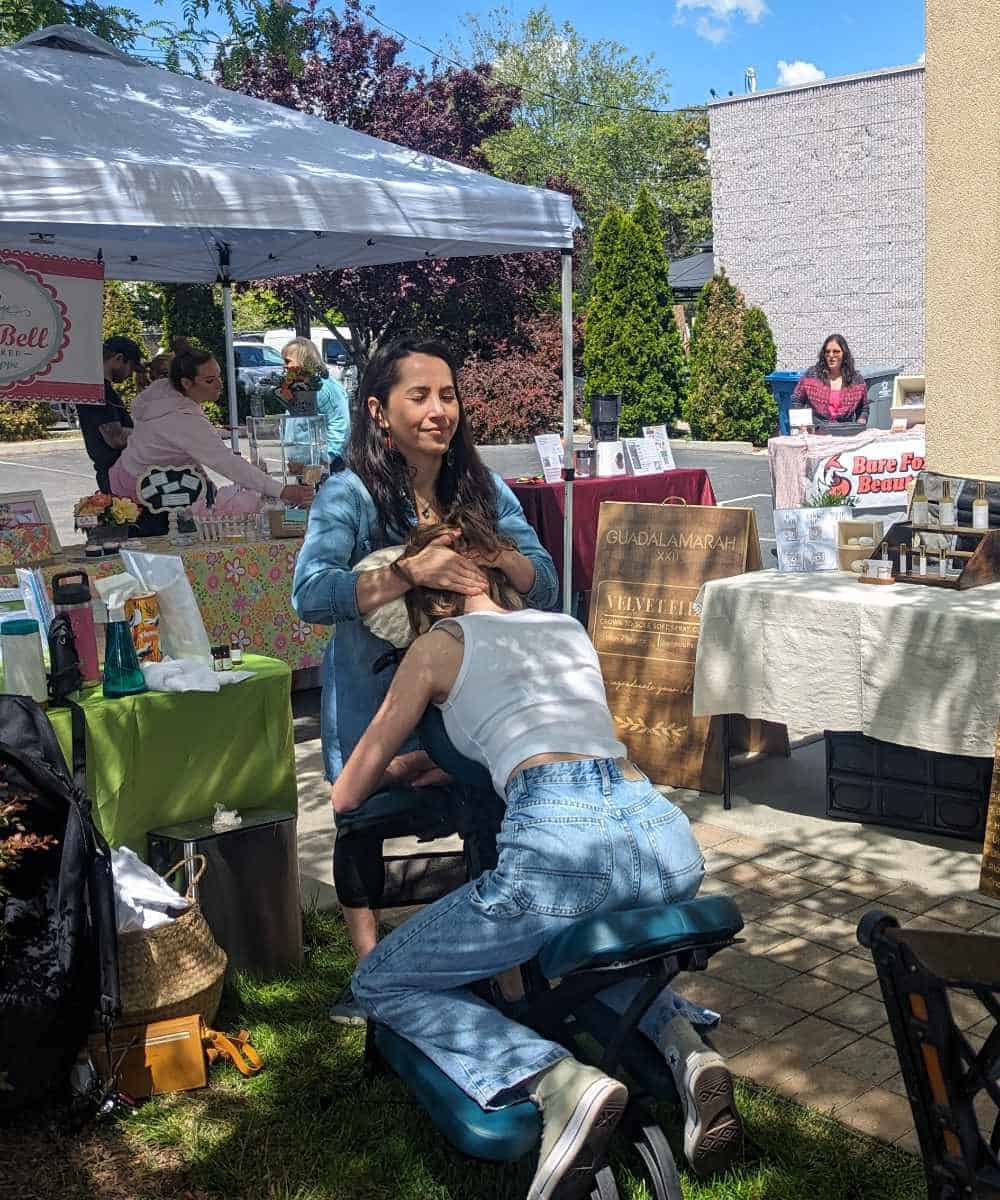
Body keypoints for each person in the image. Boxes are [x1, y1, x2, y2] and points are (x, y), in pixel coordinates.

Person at [332, 516, 743, 1196]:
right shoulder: (565, 627)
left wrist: (404, 767)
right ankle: (686, 1051)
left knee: (382, 982)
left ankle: (556, 1081)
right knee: (592, 953)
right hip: (661, 835)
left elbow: (349, 790)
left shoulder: (438, 644)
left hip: (561, 840)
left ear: (431, 593)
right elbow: (544, 728)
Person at [291, 337, 558, 1015]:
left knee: (492, 823)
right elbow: (311, 595)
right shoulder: (348, 494)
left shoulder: (482, 487)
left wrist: (494, 552)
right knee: (361, 825)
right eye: (420, 396)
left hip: (473, 710)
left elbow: (546, 582)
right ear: (379, 412)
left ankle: (501, 967)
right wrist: (409, 571)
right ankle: (372, 973)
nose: (440, 410)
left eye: (448, 395)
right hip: (375, 706)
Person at [108, 344, 314, 514]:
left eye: (219, 377)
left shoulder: (164, 393)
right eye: (209, 380)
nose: (219, 384)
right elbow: (226, 462)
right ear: (186, 383)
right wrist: (282, 490)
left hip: (137, 479)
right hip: (143, 496)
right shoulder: (182, 419)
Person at [80, 336, 143, 493]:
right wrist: (150, 433)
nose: (130, 375)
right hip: (114, 476)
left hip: (115, 473)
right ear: (118, 359)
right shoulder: (98, 391)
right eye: (131, 368)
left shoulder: (100, 388)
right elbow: (116, 438)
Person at [280, 337, 351, 464]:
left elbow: (340, 423)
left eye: (288, 361)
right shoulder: (296, 387)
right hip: (303, 466)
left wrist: (327, 458)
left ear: (302, 360)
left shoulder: (325, 388)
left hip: (327, 467)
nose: (284, 365)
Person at [790, 333, 869, 426]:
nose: (831, 355)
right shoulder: (811, 375)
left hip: (845, 432)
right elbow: (797, 400)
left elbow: (864, 408)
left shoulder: (856, 380)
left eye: (836, 351)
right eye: (827, 352)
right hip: (816, 432)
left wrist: (861, 422)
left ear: (844, 354)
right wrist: (801, 424)